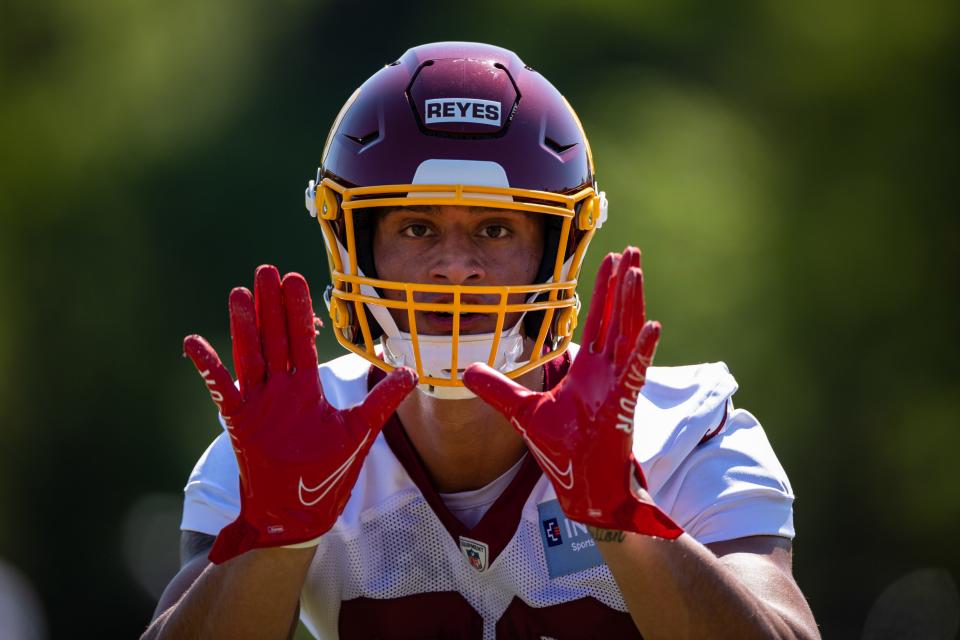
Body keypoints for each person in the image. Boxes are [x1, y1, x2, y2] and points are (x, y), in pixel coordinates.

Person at [143, 41, 820, 639]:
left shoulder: (685, 438)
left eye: (495, 230)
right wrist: (273, 540)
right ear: (356, 246)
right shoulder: (283, 444)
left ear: (557, 249)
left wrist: (626, 521)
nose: (455, 266)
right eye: (417, 230)